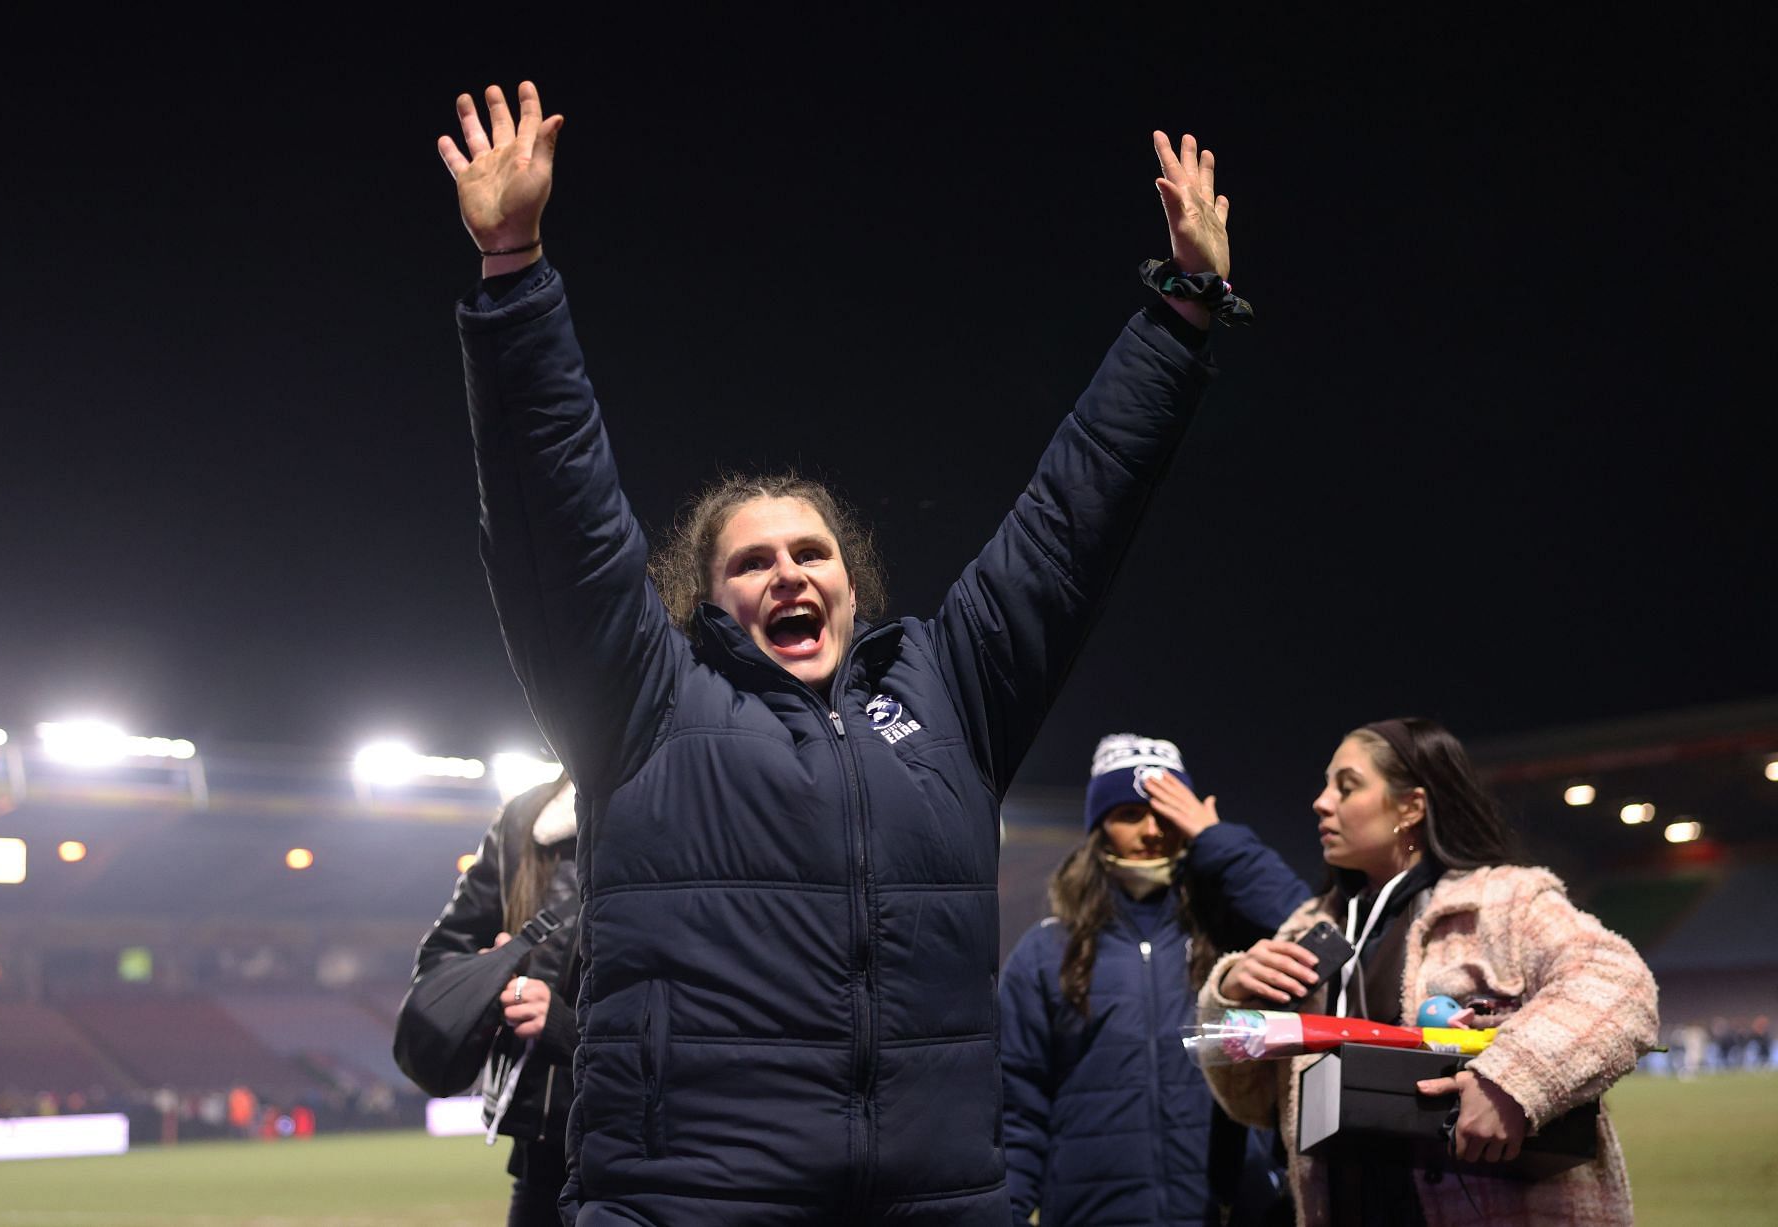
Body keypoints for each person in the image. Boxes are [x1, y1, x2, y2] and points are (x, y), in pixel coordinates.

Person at [439, 79, 1241, 1225]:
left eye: (810, 552)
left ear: (852, 587)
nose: (788, 574)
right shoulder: (645, 701)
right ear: (703, 598)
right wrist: (513, 269)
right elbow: (554, 517)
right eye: (751, 562)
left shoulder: (952, 692)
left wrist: (1184, 307)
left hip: (935, 1202)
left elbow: (1078, 516)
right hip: (690, 1203)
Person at [1200, 718, 1659, 1226]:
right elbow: (1254, 1104)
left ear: (1411, 807)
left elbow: (1621, 984)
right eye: (1326, 785)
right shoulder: (1308, 929)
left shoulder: (1504, 900)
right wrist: (1232, 998)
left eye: (1346, 786)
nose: (1321, 802)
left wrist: (1511, 1079)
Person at [999, 735, 1309, 1227]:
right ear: (1099, 826)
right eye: (1129, 813)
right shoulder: (1045, 954)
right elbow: (1017, 1116)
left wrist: (1218, 840)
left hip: (1230, 1212)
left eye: (1167, 813)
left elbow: (1317, 936)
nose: (1151, 831)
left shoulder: (1237, 939)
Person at [404, 772, 580, 1227]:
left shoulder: (688, 805)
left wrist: (568, 1028)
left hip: (653, 1154)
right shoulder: (526, 818)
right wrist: (485, 976)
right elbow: (441, 960)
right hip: (543, 1158)